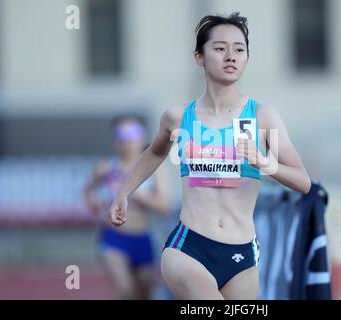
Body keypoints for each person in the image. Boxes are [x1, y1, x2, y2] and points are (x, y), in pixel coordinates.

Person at [109, 12, 311, 300]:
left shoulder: (264, 117)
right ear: (199, 57)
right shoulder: (178, 116)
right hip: (189, 248)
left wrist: (265, 163)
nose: (231, 56)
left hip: (242, 256)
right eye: (220, 48)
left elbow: (303, 182)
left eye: (239, 50)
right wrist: (123, 193)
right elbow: (154, 153)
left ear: (246, 58)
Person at [85, 114, 172, 299]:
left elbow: (165, 207)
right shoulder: (106, 168)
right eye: (121, 135)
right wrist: (93, 193)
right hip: (113, 237)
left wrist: (131, 191)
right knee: (125, 290)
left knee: (144, 293)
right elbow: (90, 195)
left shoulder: (155, 170)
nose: (127, 141)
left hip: (144, 238)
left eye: (133, 134)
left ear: (143, 137)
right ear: (114, 140)